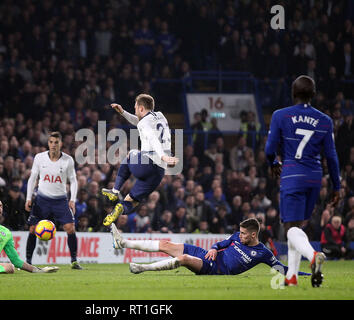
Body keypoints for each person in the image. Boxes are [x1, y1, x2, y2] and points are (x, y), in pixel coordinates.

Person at [265, 75, 341, 287]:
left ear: (293, 93)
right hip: (314, 178)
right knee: (297, 226)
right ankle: (292, 277)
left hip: (292, 174)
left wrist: (273, 162)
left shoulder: (281, 115)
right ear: (313, 94)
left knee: (290, 227)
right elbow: (332, 157)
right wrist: (337, 186)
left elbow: (269, 149)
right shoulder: (325, 120)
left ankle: (313, 255)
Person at [110, 218, 310, 277]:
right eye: (239, 233)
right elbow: (220, 244)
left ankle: (142, 268)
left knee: (183, 260)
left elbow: (283, 270)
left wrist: (308, 275)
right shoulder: (236, 237)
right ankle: (123, 242)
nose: (239, 236)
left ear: (253, 235)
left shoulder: (263, 253)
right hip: (207, 255)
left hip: (216, 269)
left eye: (242, 234)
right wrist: (214, 248)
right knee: (165, 244)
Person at [101, 94, 179, 227]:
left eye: (136, 108)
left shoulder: (144, 123)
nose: (135, 110)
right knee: (132, 200)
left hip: (147, 163)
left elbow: (152, 138)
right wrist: (123, 112)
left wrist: (162, 155)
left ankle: (114, 191)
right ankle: (119, 209)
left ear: (141, 108)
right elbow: (141, 122)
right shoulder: (160, 116)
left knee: (131, 154)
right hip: (159, 171)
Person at [25, 131, 81, 269]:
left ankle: (74, 261)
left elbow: (73, 181)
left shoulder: (68, 160)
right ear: (48, 143)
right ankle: (28, 261)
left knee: (70, 228)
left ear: (61, 143)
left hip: (60, 200)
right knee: (32, 229)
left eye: (56, 142)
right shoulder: (39, 158)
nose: (53, 145)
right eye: (51, 142)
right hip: (42, 199)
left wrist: (72, 200)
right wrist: (28, 197)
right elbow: (32, 178)